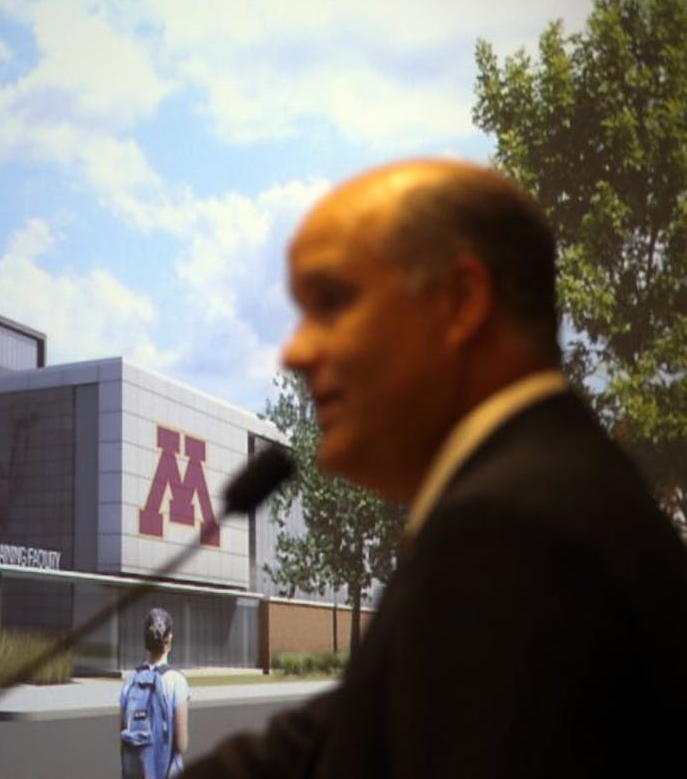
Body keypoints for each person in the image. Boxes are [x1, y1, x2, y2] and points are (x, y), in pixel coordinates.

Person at [184, 159, 687, 777]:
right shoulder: (552, 496)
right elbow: (333, 741)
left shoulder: (511, 537)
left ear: (461, 300)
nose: (296, 350)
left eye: (334, 302)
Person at [119, 607, 190, 778]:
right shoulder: (176, 681)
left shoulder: (131, 680)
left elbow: (123, 733)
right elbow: (181, 744)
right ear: (168, 639)